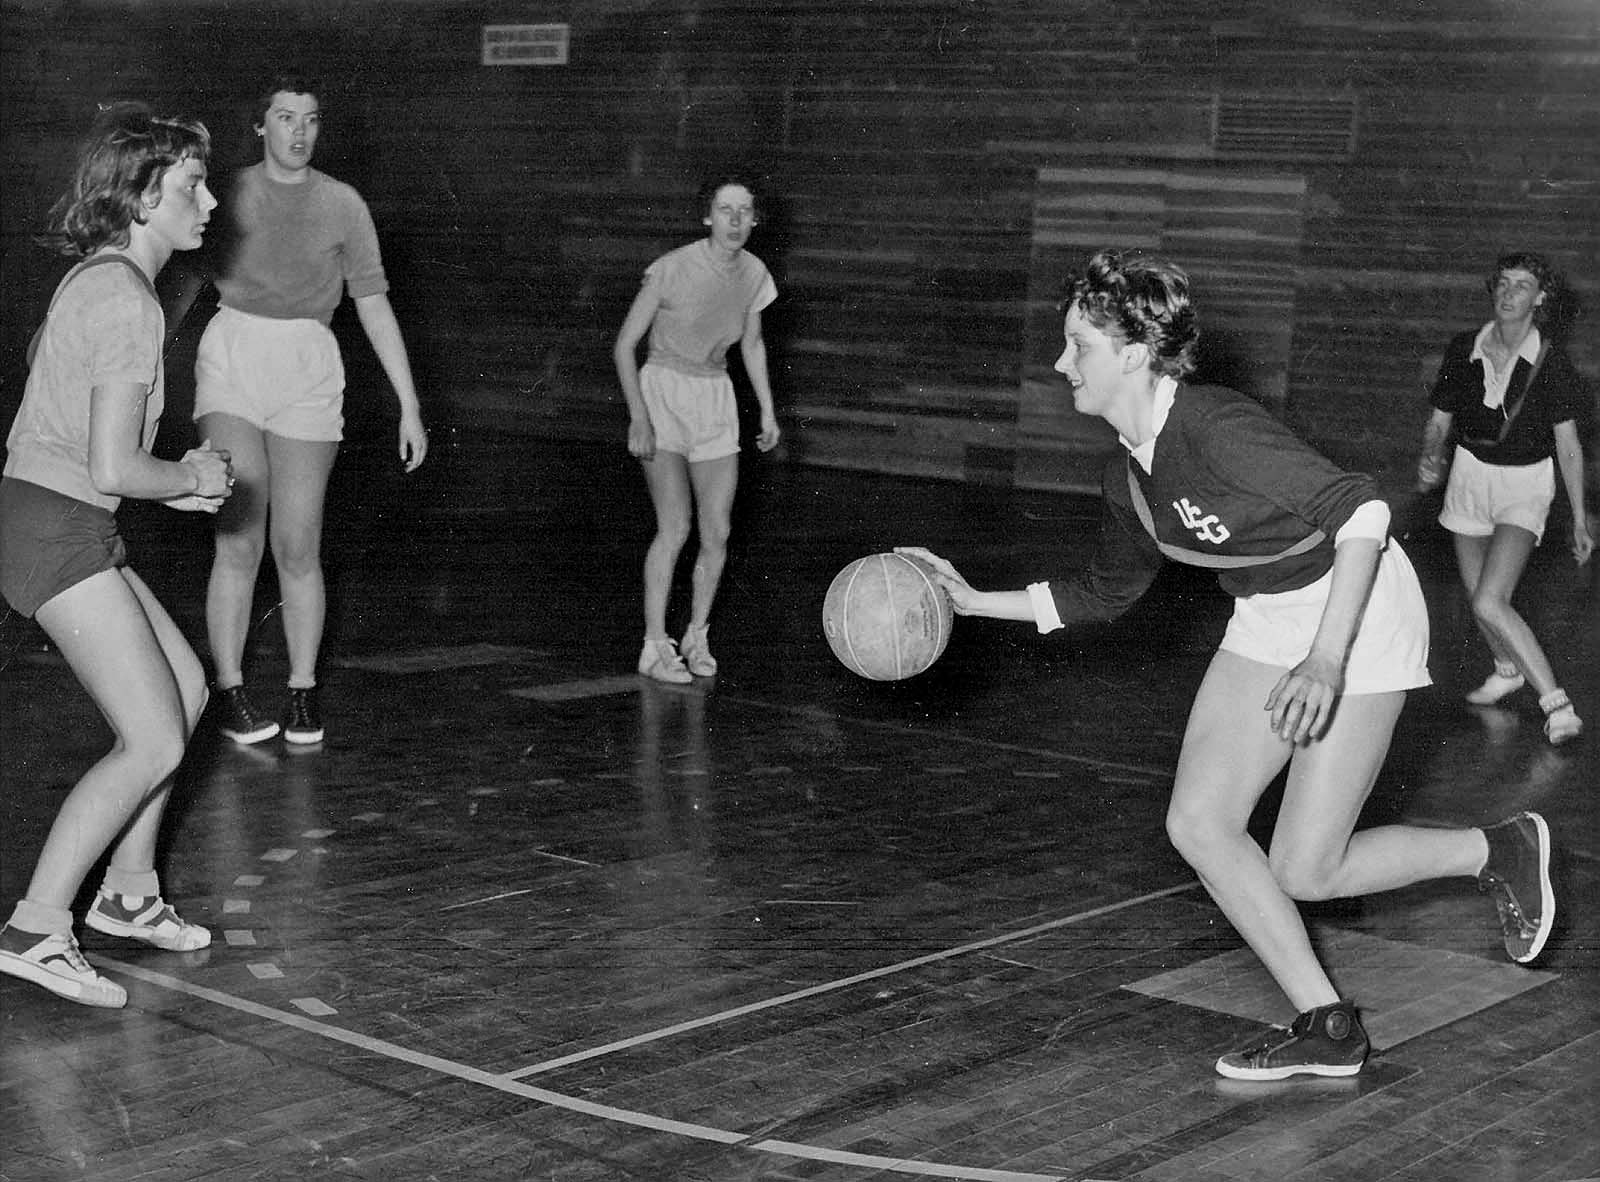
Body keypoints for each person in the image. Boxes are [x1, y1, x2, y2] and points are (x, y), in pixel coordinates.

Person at [900, 249, 1556, 1081]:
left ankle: (1495, 849)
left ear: (1134, 353)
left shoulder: (1212, 426)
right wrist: (969, 600)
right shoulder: (1128, 475)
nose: (1062, 363)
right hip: (1270, 615)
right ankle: (1326, 1023)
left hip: (1357, 611)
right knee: (1200, 823)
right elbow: (1104, 594)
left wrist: (1326, 660)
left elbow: (1362, 512)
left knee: (1304, 869)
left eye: (1079, 346)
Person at [0, 105, 234, 1008]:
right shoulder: (128, 301)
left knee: (185, 689)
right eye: (190, 187)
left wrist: (175, 481)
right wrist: (187, 472)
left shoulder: (95, 280)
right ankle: (36, 927)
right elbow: (111, 464)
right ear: (141, 197)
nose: (209, 202)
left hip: (55, 514)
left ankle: (130, 894)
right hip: (54, 524)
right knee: (153, 735)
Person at [196, 70, 427, 746]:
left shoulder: (344, 204)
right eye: (286, 117)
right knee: (238, 534)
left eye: (311, 119)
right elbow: (179, 276)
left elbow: (374, 302)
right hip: (235, 352)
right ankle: (229, 691)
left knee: (298, 544)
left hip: (308, 364)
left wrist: (410, 405)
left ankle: (301, 692)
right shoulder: (228, 193)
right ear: (261, 125)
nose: (299, 131)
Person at [1415, 251, 1591, 745]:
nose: (1509, 293)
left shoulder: (1552, 364)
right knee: (1478, 601)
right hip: (1469, 479)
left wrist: (1578, 518)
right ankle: (1506, 669)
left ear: (1539, 299)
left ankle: (1556, 705)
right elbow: (1439, 423)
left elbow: (1568, 446)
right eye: (1504, 283)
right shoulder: (1462, 349)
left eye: (1522, 285)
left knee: (1493, 600)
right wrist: (1431, 455)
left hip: (1525, 485)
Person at [613, 174, 780, 684]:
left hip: (714, 398)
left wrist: (769, 411)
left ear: (753, 220)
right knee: (676, 527)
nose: (734, 220)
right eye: (724, 209)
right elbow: (623, 346)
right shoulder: (670, 269)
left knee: (718, 530)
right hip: (663, 393)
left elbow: (750, 345)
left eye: (743, 211)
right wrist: (639, 415)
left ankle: (696, 634)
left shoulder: (754, 274)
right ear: (708, 216)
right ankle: (652, 645)